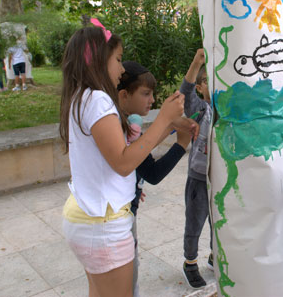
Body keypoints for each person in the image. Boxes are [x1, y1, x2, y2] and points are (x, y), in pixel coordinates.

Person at [59, 23, 197, 297]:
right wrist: (165, 119)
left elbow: (124, 152)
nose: (121, 69)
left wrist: (169, 127)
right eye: (118, 59)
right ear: (98, 59)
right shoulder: (98, 100)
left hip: (88, 218)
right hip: (103, 224)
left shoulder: (80, 97)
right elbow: (123, 162)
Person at [117, 60, 193, 297]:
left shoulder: (124, 125)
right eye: (146, 93)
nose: (151, 100)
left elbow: (141, 154)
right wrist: (181, 143)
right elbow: (152, 172)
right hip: (119, 221)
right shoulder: (119, 129)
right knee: (126, 283)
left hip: (126, 214)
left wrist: (171, 127)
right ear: (123, 95)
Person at [179, 48, 214, 289]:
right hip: (199, 179)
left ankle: (216, 257)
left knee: (220, 222)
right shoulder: (201, 109)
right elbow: (185, 93)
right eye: (207, 81)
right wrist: (195, 63)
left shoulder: (228, 113)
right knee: (195, 223)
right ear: (201, 87)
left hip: (221, 181)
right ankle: (190, 262)